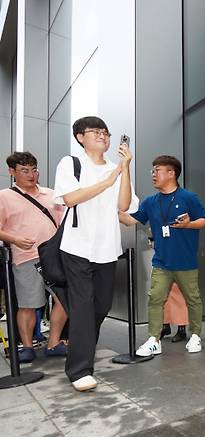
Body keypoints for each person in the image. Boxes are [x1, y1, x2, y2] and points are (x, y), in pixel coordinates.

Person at [54, 116, 138, 392]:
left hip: (107, 249)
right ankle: (79, 369)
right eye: (95, 131)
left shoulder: (116, 169)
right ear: (80, 136)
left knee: (100, 307)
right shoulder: (71, 164)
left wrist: (124, 170)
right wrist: (109, 179)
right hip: (77, 247)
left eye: (106, 131)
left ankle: (79, 344)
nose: (103, 135)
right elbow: (70, 199)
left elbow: (124, 204)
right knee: (83, 306)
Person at [119, 155, 205, 357]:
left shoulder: (189, 198)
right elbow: (130, 220)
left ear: (171, 173)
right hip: (161, 262)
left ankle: (195, 336)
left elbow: (204, 221)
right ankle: (154, 339)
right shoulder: (151, 202)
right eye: (153, 170)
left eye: (157, 170)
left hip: (186, 262)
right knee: (155, 299)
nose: (153, 174)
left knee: (193, 299)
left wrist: (188, 224)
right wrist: (110, 209)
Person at [0, 152, 68, 363]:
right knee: (28, 304)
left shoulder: (51, 194)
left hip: (55, 257)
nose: (31, 175)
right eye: (24, 170)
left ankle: (54, 343)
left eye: (34, 169)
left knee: (65, 300)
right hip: (26, 257)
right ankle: (27, 347)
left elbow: (62, 222)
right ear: (12, 172)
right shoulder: (4, 196)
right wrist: (15, 239)